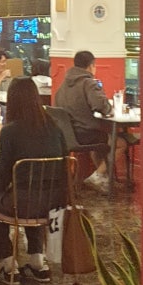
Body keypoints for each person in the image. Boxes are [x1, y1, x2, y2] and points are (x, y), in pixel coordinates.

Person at [0, 77, 67, 285]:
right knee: (33, 191)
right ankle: (37, 261)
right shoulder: (55, 128)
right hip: (53, 203)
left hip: (23, 202)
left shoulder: (9, 131)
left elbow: (4, 176)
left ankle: (8, 264)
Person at [54, 50, 113, 190]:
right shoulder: (89, 83)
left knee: (99, 144)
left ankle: (102, 179)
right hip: (85, 134)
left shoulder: (63, 84)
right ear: (91, 65)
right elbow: (101, 106)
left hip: (67, 135)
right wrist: (109, 107)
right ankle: (98, 175)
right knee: (119, 142)